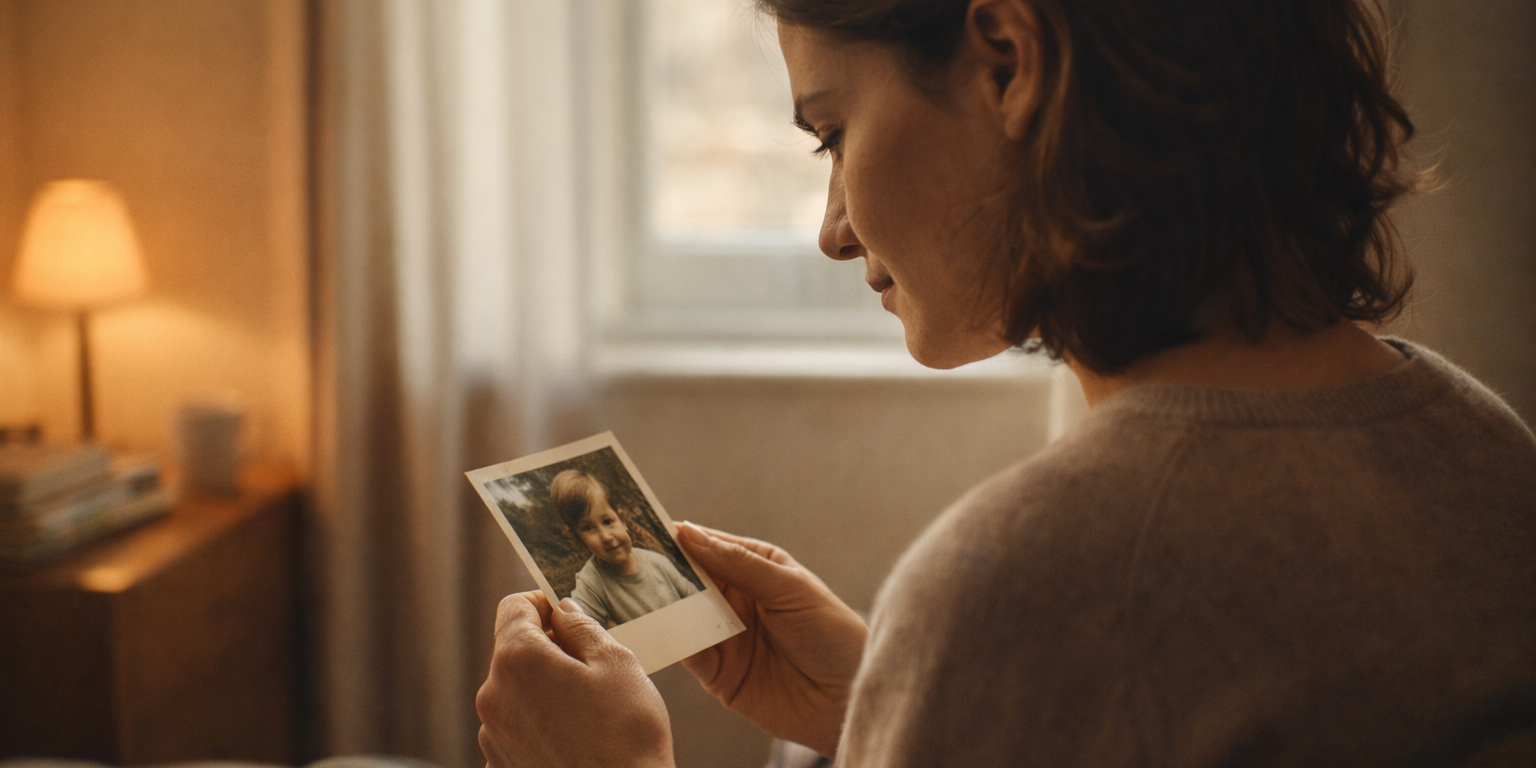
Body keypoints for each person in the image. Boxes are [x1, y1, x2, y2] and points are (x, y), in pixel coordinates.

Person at [474, 1, 1536, 766]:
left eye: (834, 133)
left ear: (1008, 62)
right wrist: (880, 706)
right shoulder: (1483, 447)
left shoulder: (1037, 581)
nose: (833, 230)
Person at [548, 469, 699, 628]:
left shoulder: (657, 562)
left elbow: (695, 598)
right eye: (588, 528)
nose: (605, 537)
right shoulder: (591, 582)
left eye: (607, 522)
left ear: (622, 520)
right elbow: (581, 625)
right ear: (577, 537)